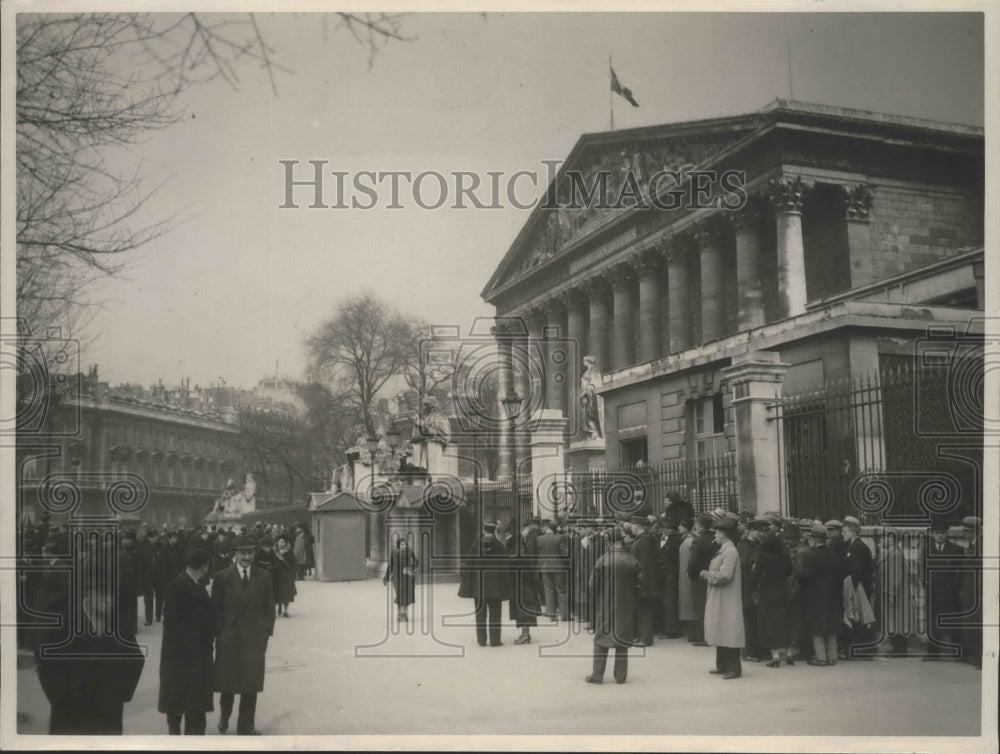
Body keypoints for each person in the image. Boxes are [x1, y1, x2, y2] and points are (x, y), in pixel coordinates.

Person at [35, 550, 145, 734]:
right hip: (70, 718)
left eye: (112, 594)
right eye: (103, 595)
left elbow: (136, 659)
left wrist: (121, 694)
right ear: (87, 594)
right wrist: (62, 698)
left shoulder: (119, 624)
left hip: (109, 716)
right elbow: (45, 664)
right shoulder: (64, 623)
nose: (109, 600)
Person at [212, 535, 276, 735]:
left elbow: (269, 607)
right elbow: (216, 609)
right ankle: (225, 716)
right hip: (229, 639)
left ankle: (246, 726)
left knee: (250, 685)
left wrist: (264, 632)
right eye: (242, 553)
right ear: (235, 554)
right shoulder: (222, 577)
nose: (246, 557)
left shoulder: (264, 576)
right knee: (228, 685)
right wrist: (221, 631)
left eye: (250, 552)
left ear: (254, 553)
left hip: (253, 639)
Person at [158, 547, 215, 735]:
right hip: (185, 656)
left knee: (193, 707)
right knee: (181, 704)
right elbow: (172, 624)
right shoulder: (178, 586)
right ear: (204, 566)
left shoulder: (191, 583)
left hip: (188, 656)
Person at [586, 526, 640, 684]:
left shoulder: (603, 560)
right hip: (626, 605)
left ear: (608, 542)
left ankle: (597, 675)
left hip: (605, 603)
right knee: (622, 638)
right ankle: (621, 675)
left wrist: (597, 598)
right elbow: (639, 584)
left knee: (601, 638)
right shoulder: (632, 560)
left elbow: (592, 585)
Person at [700, 518, 745, 680]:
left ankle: (734, 668)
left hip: (726, 598)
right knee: (722, 630)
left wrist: (707, 575)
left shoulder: (730, 551)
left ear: (724, 534)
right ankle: (723, 665)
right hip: (722, 598)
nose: (716, 535)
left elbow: (726, 576)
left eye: (718, 532)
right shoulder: (725, 550)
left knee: (728, 632)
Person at [795, 524, 843, 667]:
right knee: (831, 627)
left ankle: (821, 657)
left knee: (816, 627)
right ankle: (832, 657)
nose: (809, 542)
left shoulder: (811, 556)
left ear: (815, 540)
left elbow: (803, 577)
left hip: (815, 596)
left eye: (810, 539)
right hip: (832, 596)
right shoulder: (834, 555)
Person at [457, 521, 510, 647]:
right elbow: (506, 566)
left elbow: (468, 565)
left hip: (478, 587)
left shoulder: (475, 546)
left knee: (480, 615)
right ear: (494, 532)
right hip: (495, 588)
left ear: (484, 531)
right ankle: (495, 641)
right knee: (495, 614)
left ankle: (481, 640)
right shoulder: (500, 547)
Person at [750, 529, 794, 668]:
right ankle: (788, 653)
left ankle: (775, 656)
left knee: (769, 622)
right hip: (782, 590)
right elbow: (789, 571)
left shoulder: (762, 556)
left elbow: (755, 576)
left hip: (767, 591)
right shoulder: (785, 556)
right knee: (783, 621)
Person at [922, 518, 964, 661]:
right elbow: (922, 570)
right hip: (934, 594)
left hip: (950, 594)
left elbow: (962, 572)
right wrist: (925, 585)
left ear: (947, 533)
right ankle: (933, 653)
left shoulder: (956, 550)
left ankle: (959, 654)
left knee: (954, 624)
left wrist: (955, 587)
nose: (940, 536)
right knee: (933, 624)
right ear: (932, 534)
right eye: (937, 533)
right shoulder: (926, 549)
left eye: (943, 533)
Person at [842, 517, 875, 658]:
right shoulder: (856, 545)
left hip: (858, 588)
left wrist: (851, 591)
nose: (843, 534)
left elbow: (856, 571)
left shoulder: (856, 547)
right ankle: (864, 651)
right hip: (860, 587)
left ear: (852, 532)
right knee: (860, 619)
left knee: (858, 619)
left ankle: (860, 651)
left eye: (844, 531)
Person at [509, 519, 542, 644]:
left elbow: (519, 562)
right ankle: (524, 634)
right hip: (525, 581)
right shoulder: (524, 545)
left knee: (523, 608)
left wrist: (510, 560)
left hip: (523, 583)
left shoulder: (520, 547)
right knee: (524, 608)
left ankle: (525, 635)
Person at [686, 514, 716, 646]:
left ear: (701, 526)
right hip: (713, 574)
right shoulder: (714, 538)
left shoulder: (698, 541)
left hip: (700, 577)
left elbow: (693, 562)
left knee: (700, 607)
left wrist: (691, 574)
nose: (695, 527)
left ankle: (702, 637)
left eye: (697, 524)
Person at [629, 515, 659, 646]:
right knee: (641, 609)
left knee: (644, 610)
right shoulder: (642, 540)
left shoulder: (643, 542)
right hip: (644, 581)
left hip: (644, 583)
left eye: (633, 525)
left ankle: (646, 638)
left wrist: (639, 582)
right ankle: (641, 636)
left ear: (637, 526)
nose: (632, 527)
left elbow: (644, 565)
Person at [959, 516, 982, 669]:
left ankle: (979, 658)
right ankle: (973, 655)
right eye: (965, 531)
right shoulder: (972, 545)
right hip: (969, 591)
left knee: (977, 624)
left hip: (976, 591)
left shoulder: (980, 546)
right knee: (971, 623)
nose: (965, 534)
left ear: (976, 531)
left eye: (968, 531)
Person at [536, 520, 570, 622]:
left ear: (547, 528)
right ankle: (564, 615)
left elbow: (539, 552)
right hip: (559, 566)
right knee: (561, 589)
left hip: (545, 566)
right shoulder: (560, 538)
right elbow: (564, 553)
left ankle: (551, 614)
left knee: (548, 589)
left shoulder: (539, 539)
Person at [384, 537, 419, 622]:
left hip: (407, 576)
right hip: (397, 577)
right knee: (400, 595)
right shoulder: (394, 553)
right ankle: (399, 614)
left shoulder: (409, 551)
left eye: (405, 544)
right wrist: (386, 578)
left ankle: (405, 614)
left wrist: (410, 568)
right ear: (398, 546)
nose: (404, 546)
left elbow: (416, 561)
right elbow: (390, 565)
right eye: (402, 544)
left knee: (406, 596)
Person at [272, 534, 298, 617]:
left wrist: (293, 575)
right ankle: (277, 606)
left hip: (286, 576)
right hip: (276, 576)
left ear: (286, 543)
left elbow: (293, 564)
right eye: (279, 542)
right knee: (276, 593)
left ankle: (285, 611)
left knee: (286, 593)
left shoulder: (289, 553)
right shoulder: (274, 552)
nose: (281, 543)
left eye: (282, 542)